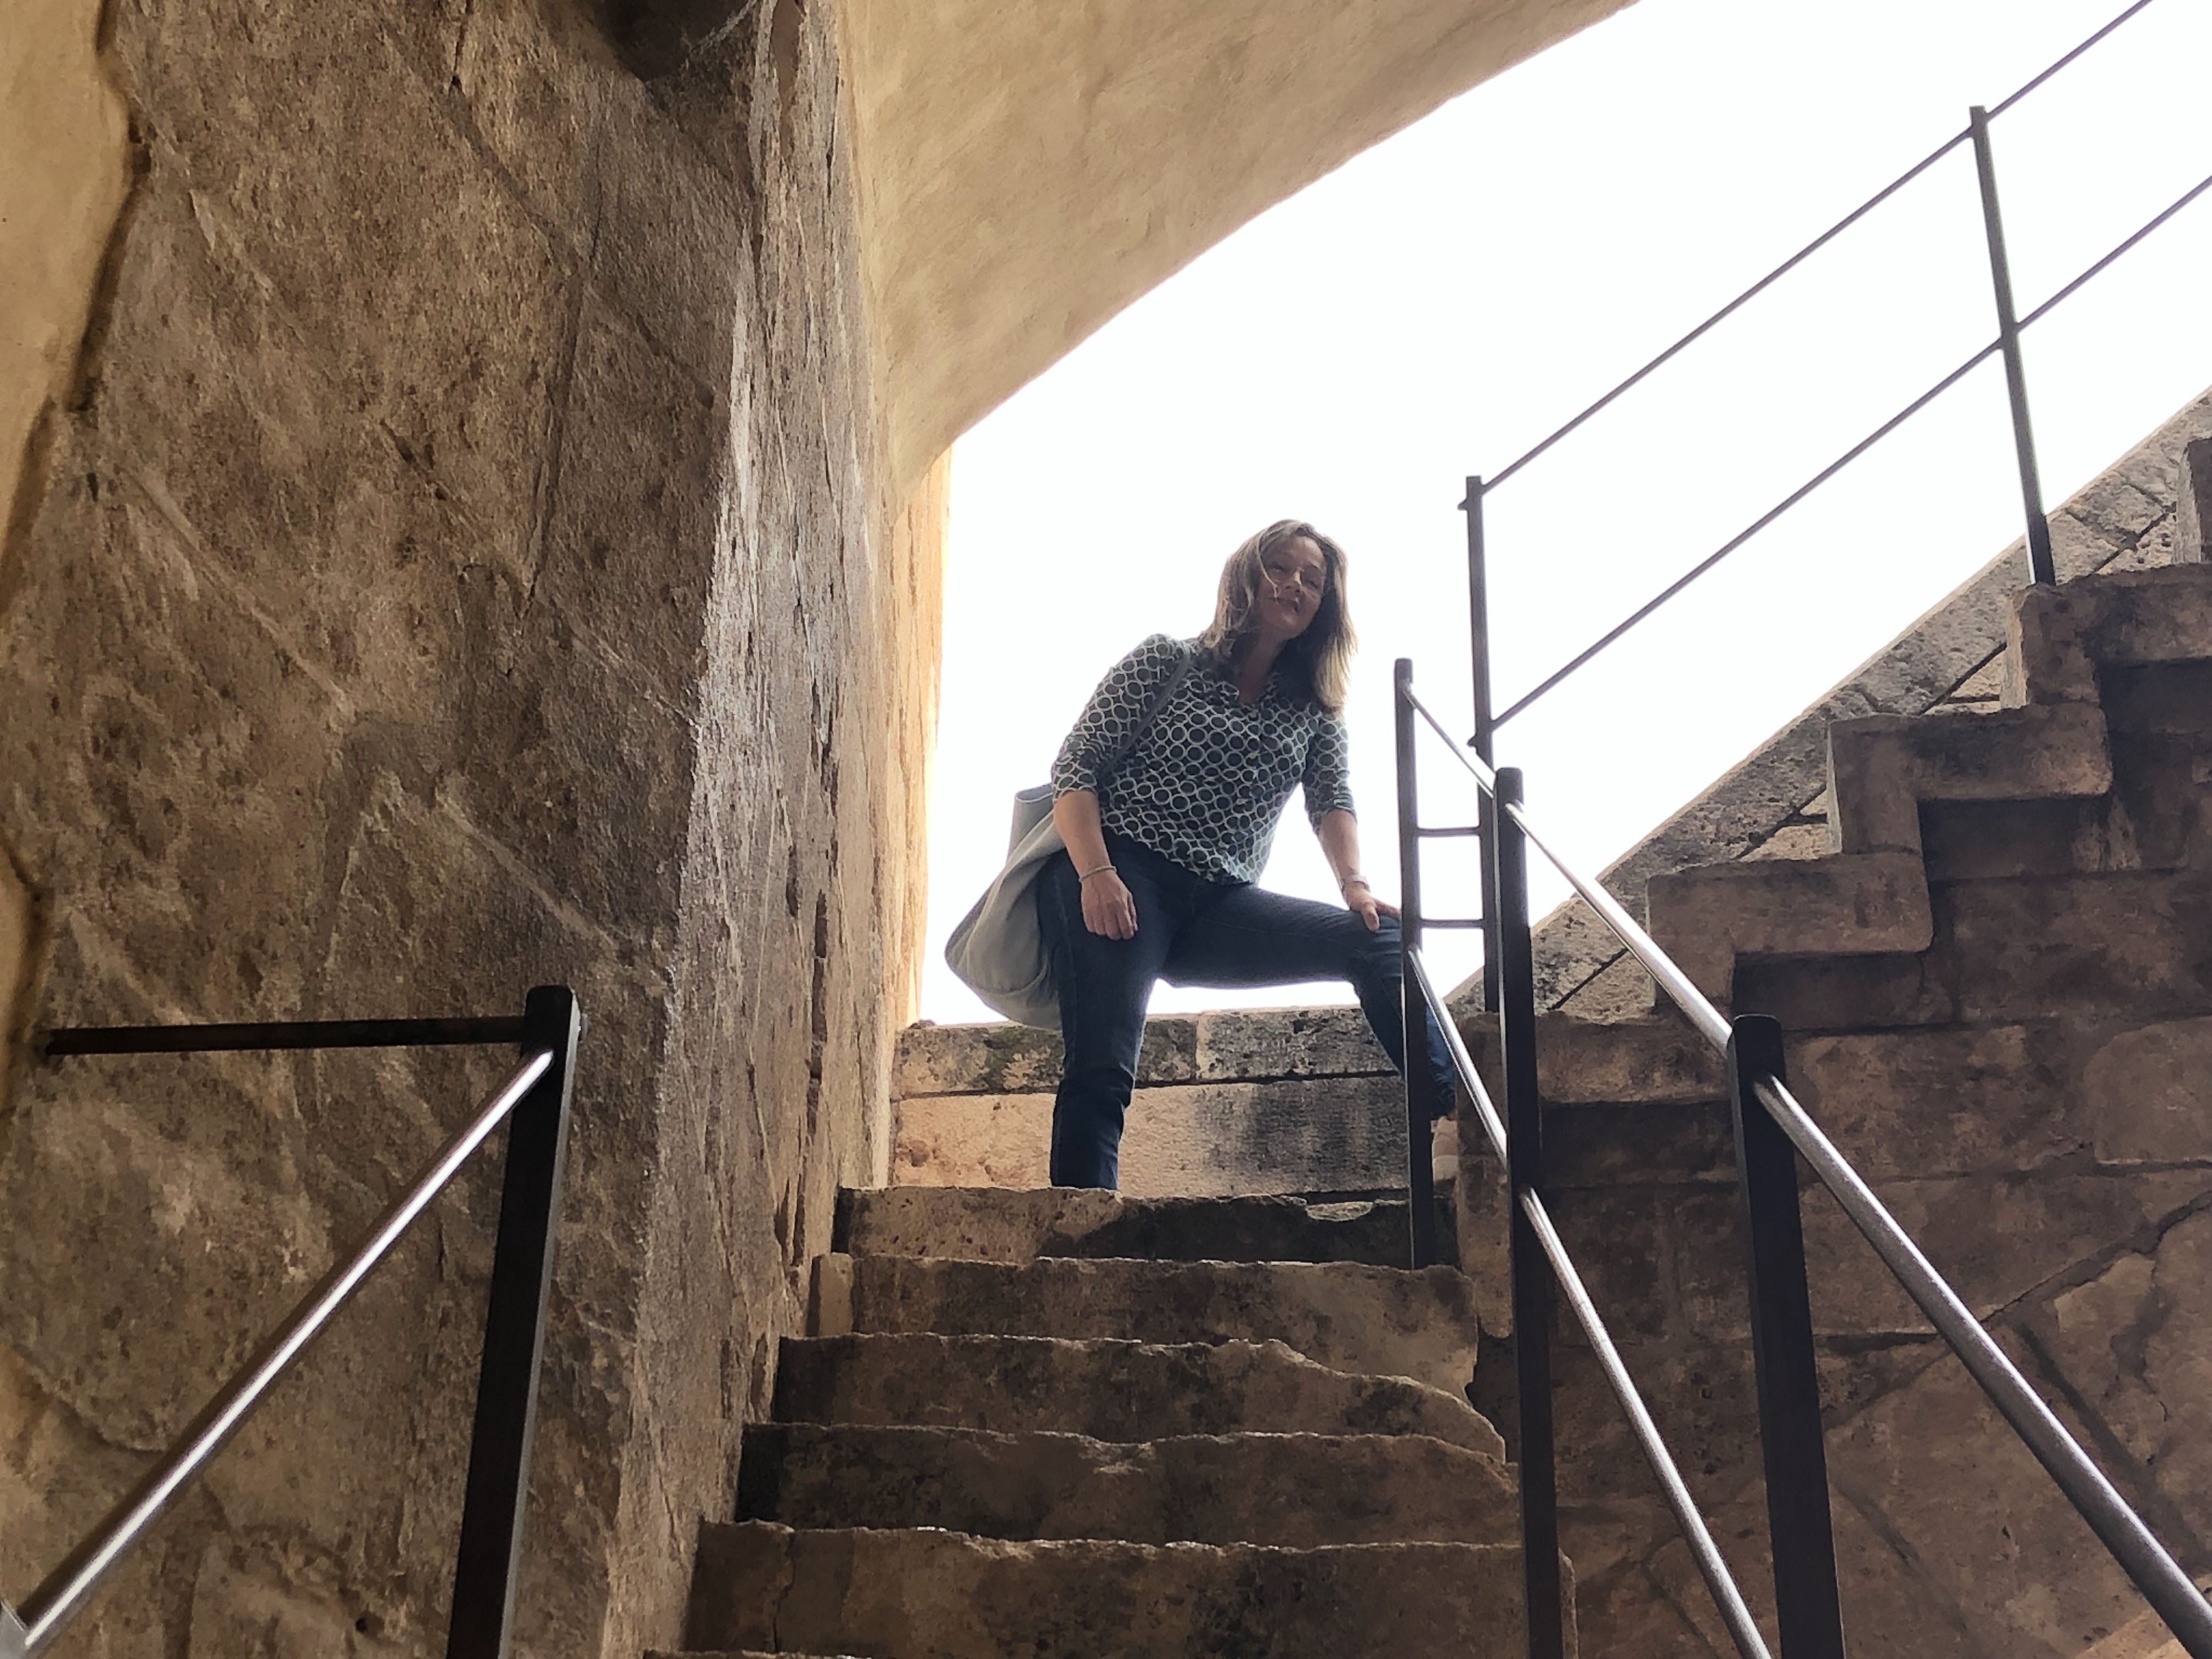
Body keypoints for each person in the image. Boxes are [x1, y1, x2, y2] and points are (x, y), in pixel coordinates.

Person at [1040, 518, 1458, 1189]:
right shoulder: (1165, 661)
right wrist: (1096, 872)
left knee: (1377, 938)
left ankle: (1452, 1116)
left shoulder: (1315, 711)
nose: (1295, 585)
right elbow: (1076, 768)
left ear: (1324, 606)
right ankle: (1080, 1225)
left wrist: (1354, 883)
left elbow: (1332, 801)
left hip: (1220, 901)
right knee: (1103, 1065)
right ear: (1248, 575)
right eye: (1281, 568)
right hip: (1124, 875)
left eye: (1313, 581)